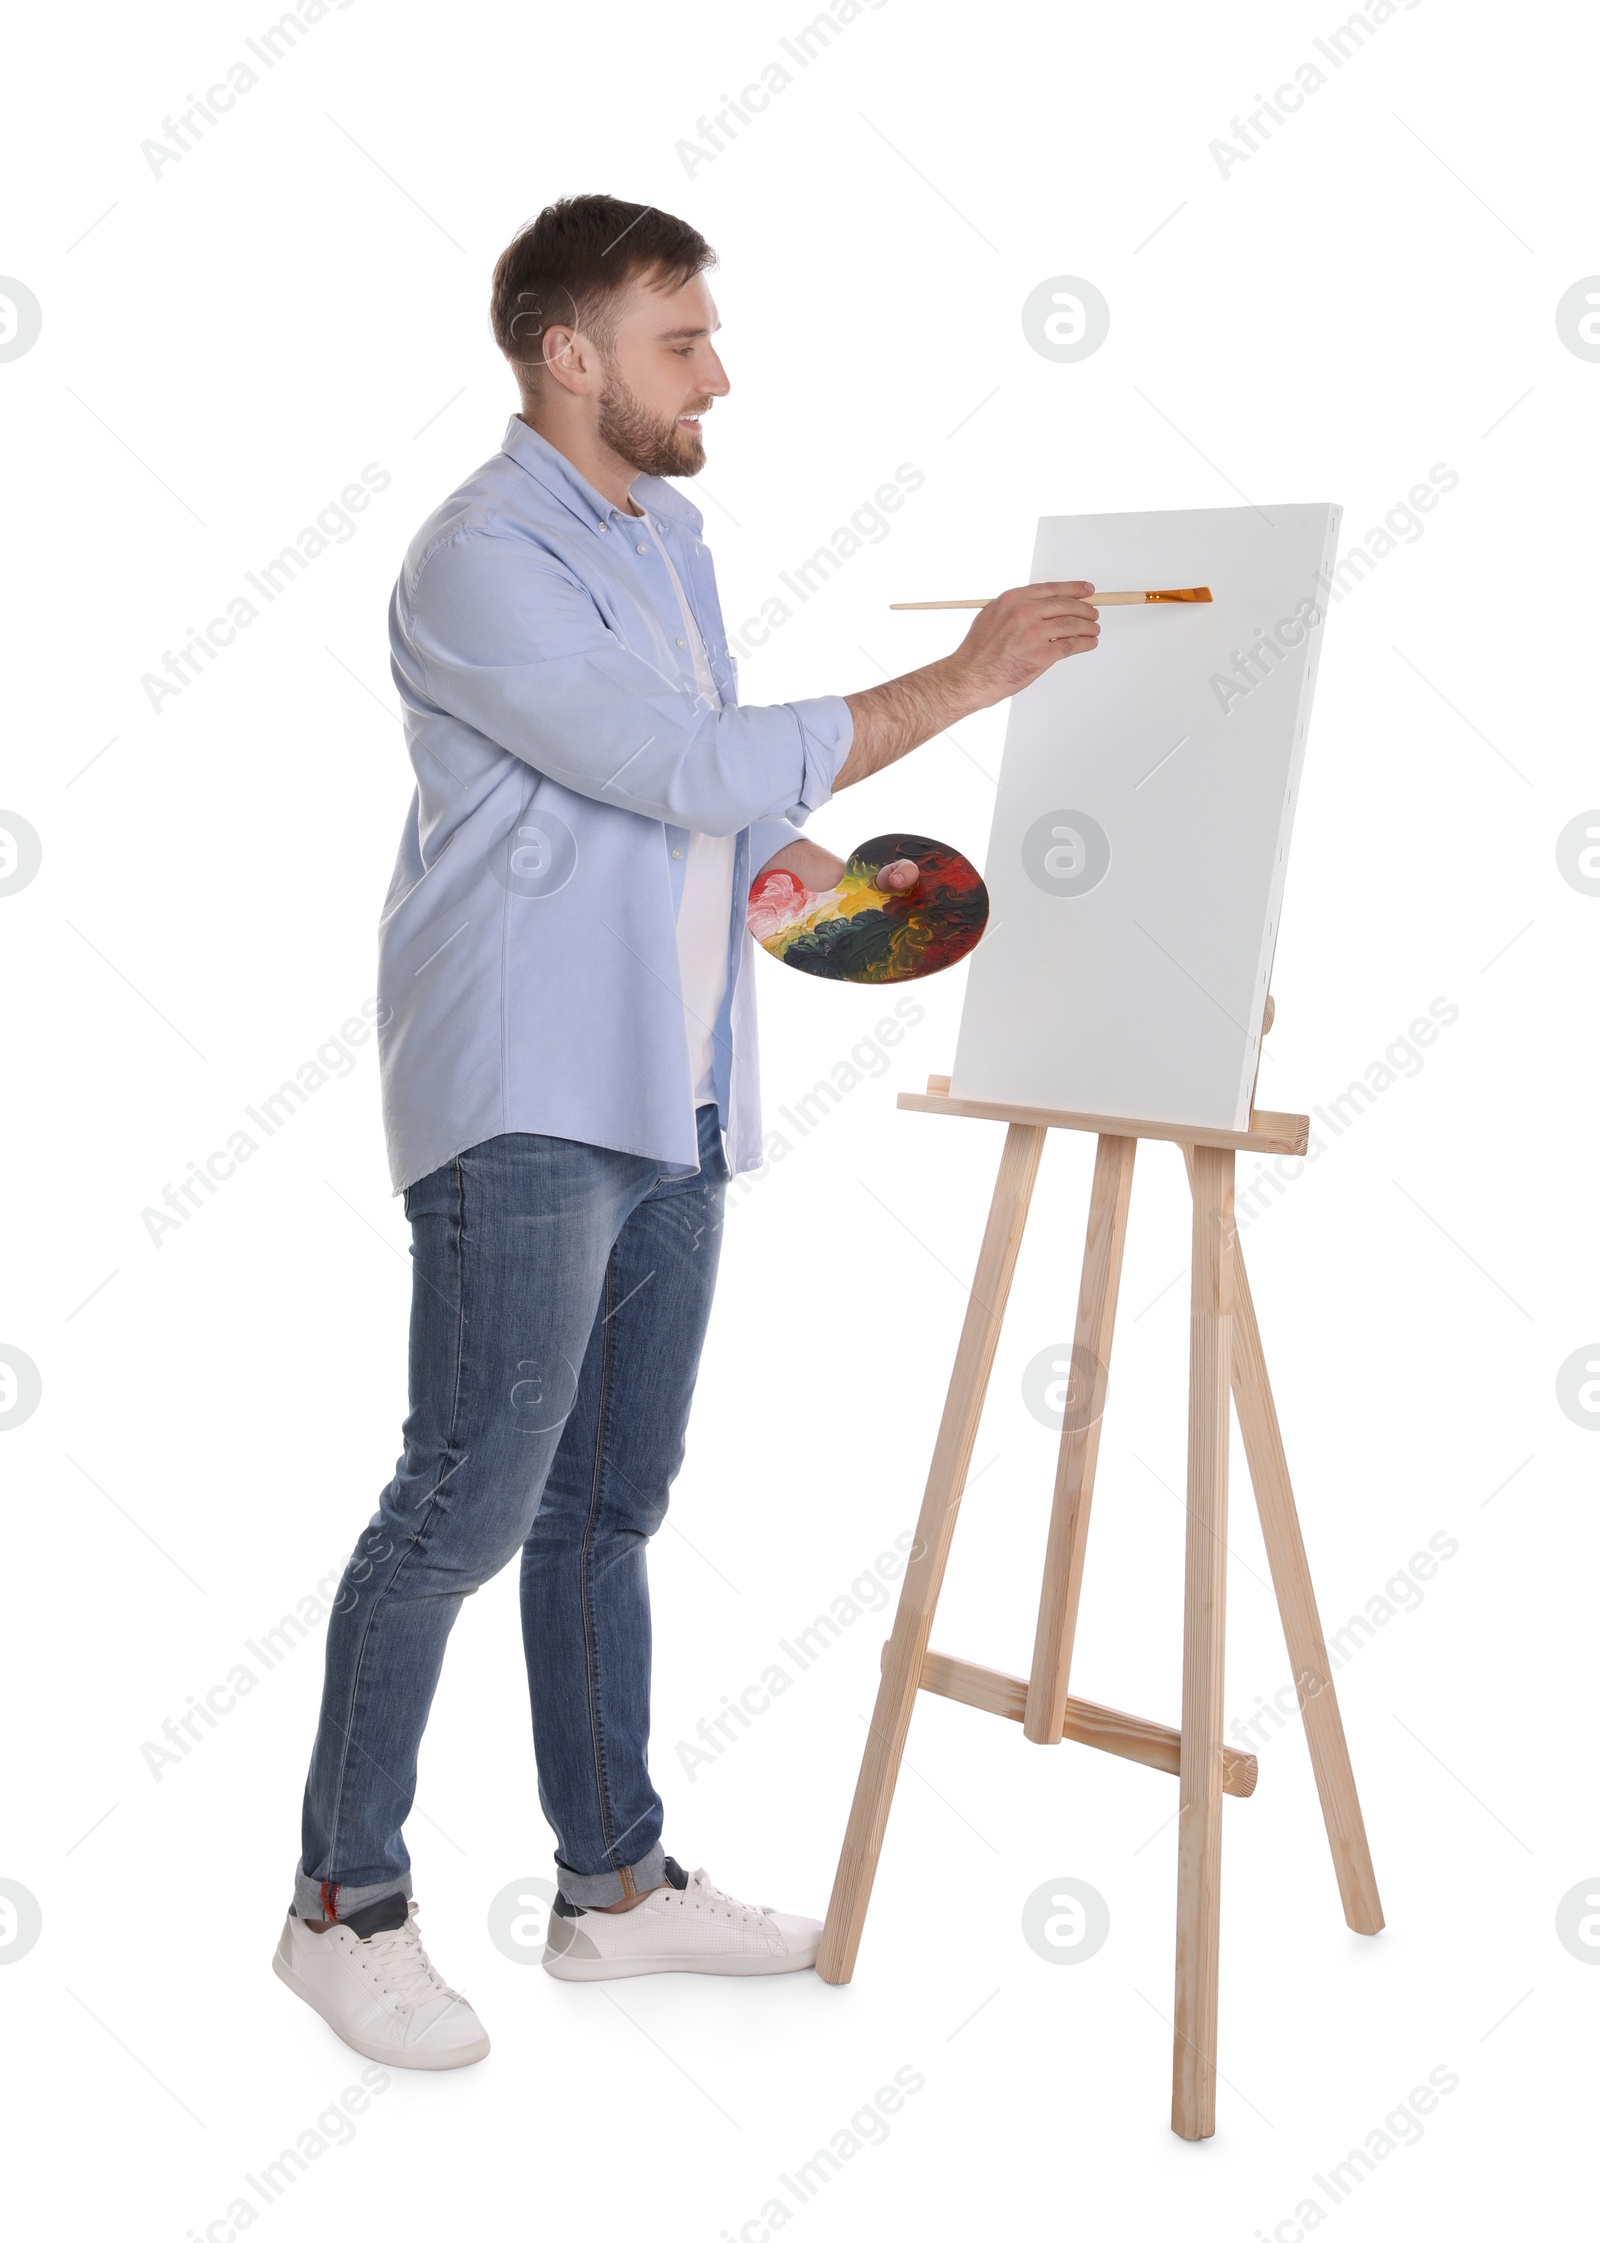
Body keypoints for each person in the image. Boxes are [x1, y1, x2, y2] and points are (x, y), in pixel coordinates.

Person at [271, 192, 1100, 2068]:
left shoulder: (671, 538)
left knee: (606, 1505)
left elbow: (696, 815)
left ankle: (611, 1889)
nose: (715, 368)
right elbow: (668, 765)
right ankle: (343, 1904)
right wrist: (963, 681)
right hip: (528, 1088)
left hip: (680, 1080)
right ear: (568, 355)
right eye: (679, 340)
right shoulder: (482, 551)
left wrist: (866, 909)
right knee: (464, 1502)